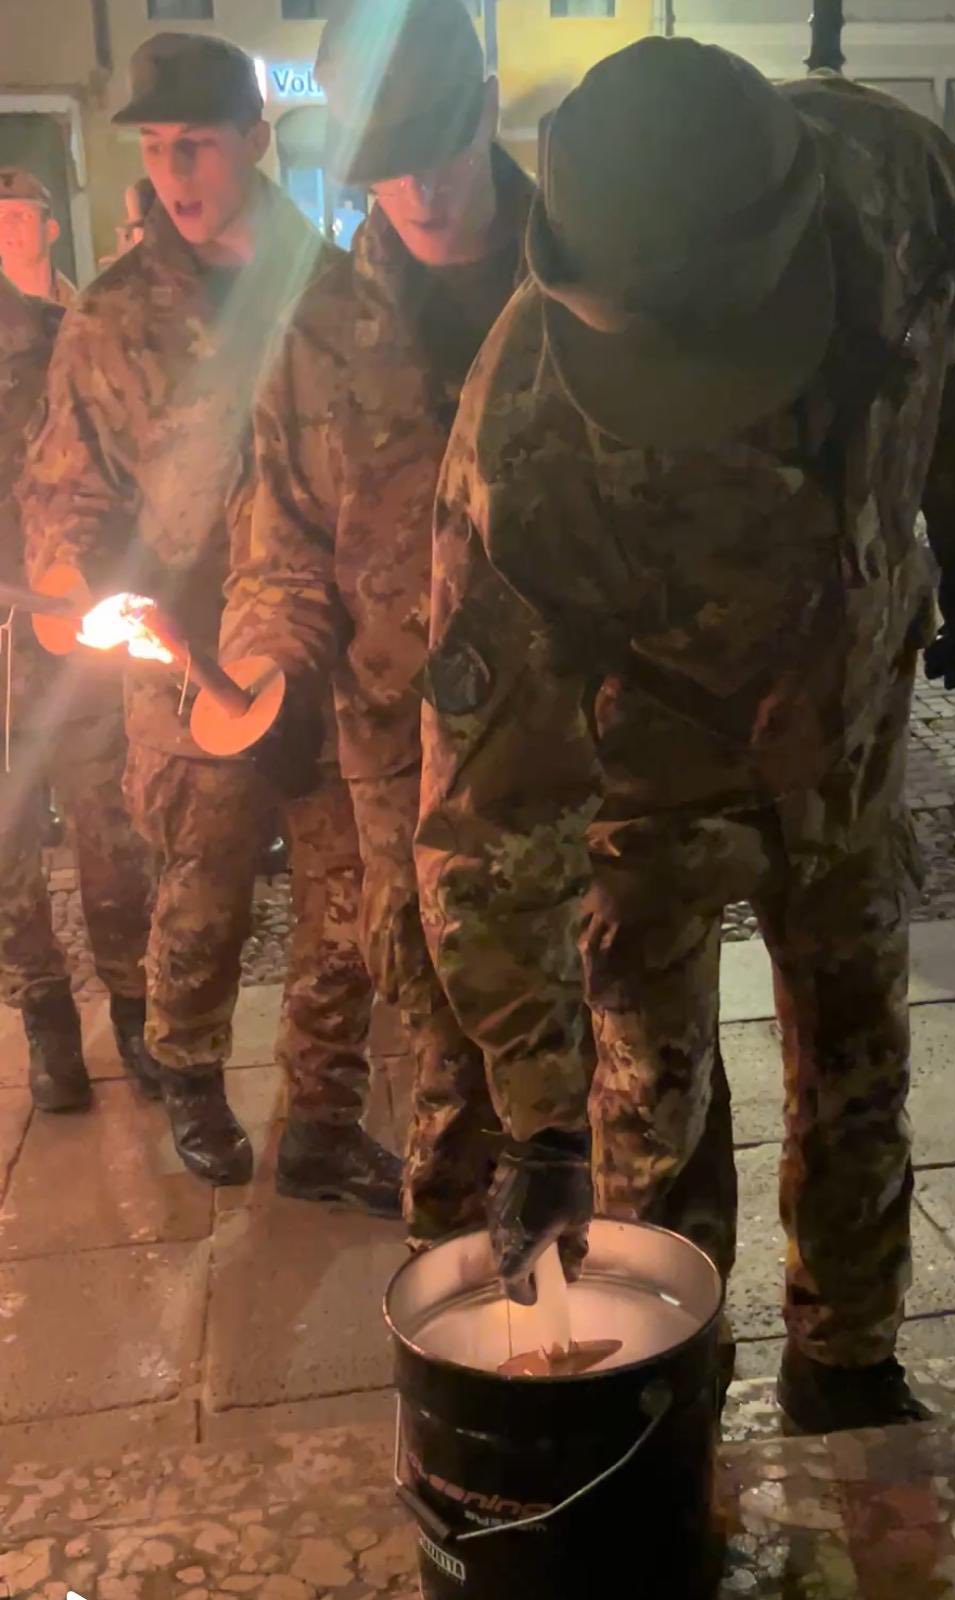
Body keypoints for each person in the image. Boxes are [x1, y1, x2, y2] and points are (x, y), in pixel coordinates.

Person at [415, 42, 955, 1433]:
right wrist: (539, 1113)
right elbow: (488, 812)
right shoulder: (522, 445)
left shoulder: (902, 186)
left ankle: (848, 1364)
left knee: (860, 1063)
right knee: (649, 1113)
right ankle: (671, 1389)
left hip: (845, 734)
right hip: (649, 784)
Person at [21, 33, 400, 1212]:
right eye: (154, 148)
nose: (173, 173)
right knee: (201, 879)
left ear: (253, 138)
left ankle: (324, 1118)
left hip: (331, 658)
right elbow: (64, 487)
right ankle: (188, 1069)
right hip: (187, 655)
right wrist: (80, 582)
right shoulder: (112, 319)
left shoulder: (337, 293)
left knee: (348, 901)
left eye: (195, 144)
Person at [221, 0, 533, 1242]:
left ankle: (639, 1318)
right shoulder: (317, 334)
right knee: (447, 1057)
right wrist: (272, 668)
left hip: (582, 760)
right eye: (385, 161)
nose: (420, 188)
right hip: (401, 764)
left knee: (619, 1085)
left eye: (439, 144)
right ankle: (462, 1302)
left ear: (487, 110)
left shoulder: (582, 296)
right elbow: (282, 544)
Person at [0, 271, 153, 1109]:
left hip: (72, 636)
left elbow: (118, 473)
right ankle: (46, 1019)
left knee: (112, 831)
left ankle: (135, 1008)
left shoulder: (64, 337)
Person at [0, 169, 77, 305]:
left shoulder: (81, 307)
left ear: (51, 230)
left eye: (24, 216)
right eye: (1, 216)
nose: (9, 225)